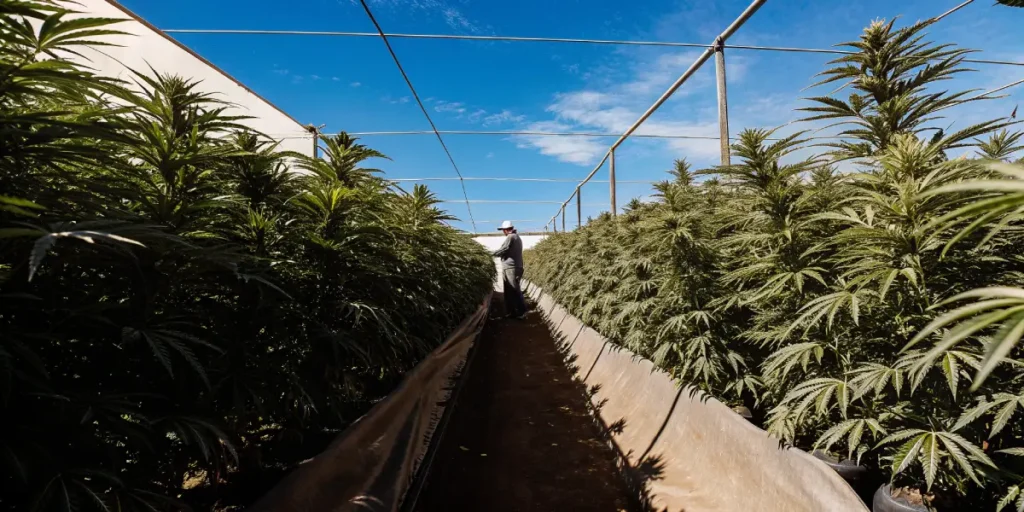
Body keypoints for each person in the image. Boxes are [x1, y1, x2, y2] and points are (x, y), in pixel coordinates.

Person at [492, 220, 527, 319]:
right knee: (509, 291)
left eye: (503, 230)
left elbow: (504, 249)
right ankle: (511, 312)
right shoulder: (516, 237)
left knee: (514, 289)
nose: (503, 232)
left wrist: (491, 254)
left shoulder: (511, 237)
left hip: (512, 267)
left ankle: (522, 312)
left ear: (506, 230)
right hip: (511, 267)